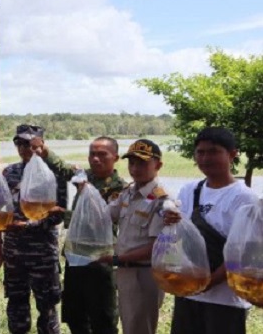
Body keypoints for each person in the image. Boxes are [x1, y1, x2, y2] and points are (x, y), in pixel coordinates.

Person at [164, 127, 257, 334]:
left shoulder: (245, 198)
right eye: (200, 152)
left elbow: (242, 254)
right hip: (188, 294)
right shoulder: (189, 190)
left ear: (233, 154)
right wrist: (170, 221)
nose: (205, 158)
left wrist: (208, 283)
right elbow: (181, 237)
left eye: (213, 151)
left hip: (225, 301)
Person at [36, 137, 125, 334]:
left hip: (100, 261)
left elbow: (98, 221)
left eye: (102, 154)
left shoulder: (119, 189)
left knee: (103, 319)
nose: (96, 159)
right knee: (76, 316)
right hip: (76, 259)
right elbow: (65, 169)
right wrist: (44, 151)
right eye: (92, 154)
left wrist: (63, 213)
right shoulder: (87, 177)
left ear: (115, 158)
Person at [0, 125, 66, 334]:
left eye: (29, 143)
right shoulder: (10, 173)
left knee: (47, 310)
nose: (24, 148)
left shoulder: (53, 173)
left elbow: (59, 213)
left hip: (42, 253)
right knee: (17, 307)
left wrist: (27, 225)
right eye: (19, 143)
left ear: (40, 144)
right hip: (14, 253)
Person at [95, 139, 167, 334]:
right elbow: (105, 216)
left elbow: (156, 247)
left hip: (144, 274)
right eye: (131, 163)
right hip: (126, 272)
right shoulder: (128, 192)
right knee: (129, 326)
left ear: (158, 165)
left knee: (140, 328)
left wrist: (116, 258)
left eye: (142, 163)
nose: (135, 168)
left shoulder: (162, 200)